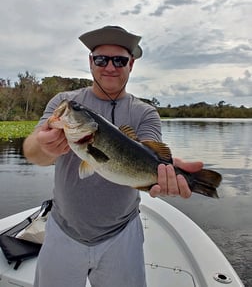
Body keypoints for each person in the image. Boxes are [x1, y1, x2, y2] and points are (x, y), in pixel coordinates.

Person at [23, 25, 203, 287]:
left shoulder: (145, 113)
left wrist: (168, 172)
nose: (110, 67)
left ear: (131, 65)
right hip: (63, 230)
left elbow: (150, 153)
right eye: (101, 59)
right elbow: (33, 151)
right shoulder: (64, 100)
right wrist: (43, 145)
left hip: (122, 234)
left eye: (119, 60)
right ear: (90, 63)